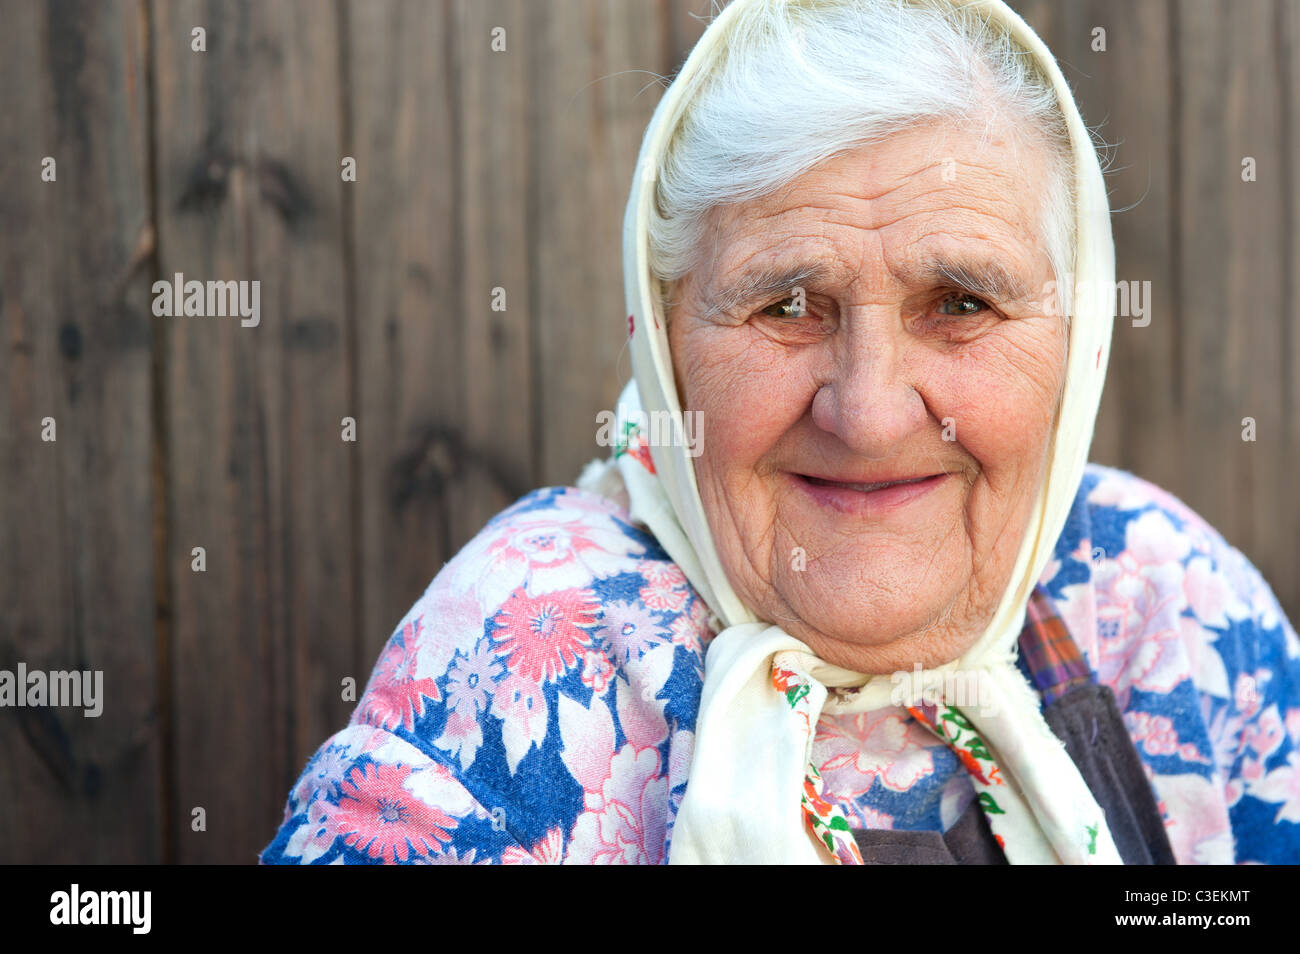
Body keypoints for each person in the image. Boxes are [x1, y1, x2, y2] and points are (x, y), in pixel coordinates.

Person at [261, 0, 1300, 865]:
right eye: (788, 306)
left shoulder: (1165, 601)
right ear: (663, 338)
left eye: (962, 303)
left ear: (1074, 338)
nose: (870, 411)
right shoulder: (522, 659)